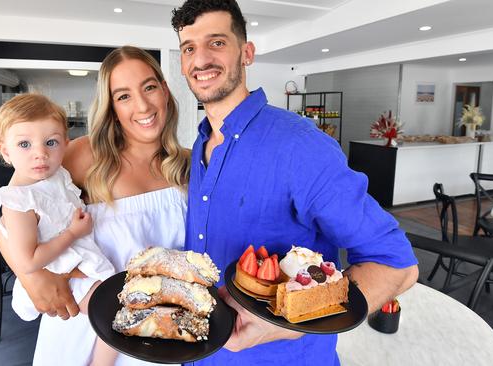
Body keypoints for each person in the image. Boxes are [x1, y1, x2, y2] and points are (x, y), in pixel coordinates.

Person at [170, 0, 419, 364]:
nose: (201, 59)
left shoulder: (300, 145)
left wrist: (282, 325)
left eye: (217, 42)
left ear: (247, 53)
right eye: (189, 48)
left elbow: (397, 264)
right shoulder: (201, 141)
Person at [0, 46, 190, 365]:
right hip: (83, 328)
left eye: (150, 87)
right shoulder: (83, 155)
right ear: (111, 106)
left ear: (165, 91)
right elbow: (12, 213)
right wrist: (31, 276)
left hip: (157, 334)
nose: (142, 105)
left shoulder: (189, 164)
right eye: (123, 95)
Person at [0, 93, 117, 366]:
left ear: (65, 144)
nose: (40, 154)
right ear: (5, 150)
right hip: (60, 273)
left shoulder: (55, 176)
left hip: (76, 261)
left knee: (115, 306)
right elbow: (28, 260)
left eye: (51, 142)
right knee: (112, 315)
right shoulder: (18, 201)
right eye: (24, 144)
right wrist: (72, 233)